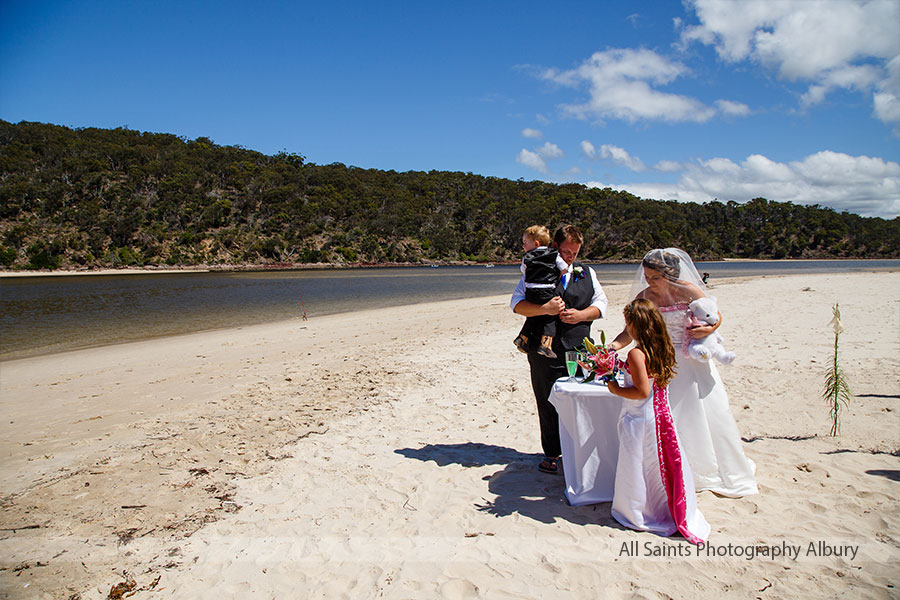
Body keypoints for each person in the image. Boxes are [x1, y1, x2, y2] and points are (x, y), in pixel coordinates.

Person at [608, 248, 758, 497]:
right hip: (664, 359)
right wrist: (612, 346)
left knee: (706, 412)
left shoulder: (689, 291)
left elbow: (714, 316)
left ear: (670, 275)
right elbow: (630, 331)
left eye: (655, 277)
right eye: (646, 276)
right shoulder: (644, 297)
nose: (649, 281)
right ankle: (676, 467)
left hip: (694, 358)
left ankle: (709, 470)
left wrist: (709, 331)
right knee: (672, 415)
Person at [606, 299, 710, 544]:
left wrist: (615, 389)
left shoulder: (636, 353)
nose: (626, 327)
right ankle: (663, 507)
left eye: (627, 323)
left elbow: (641, 391)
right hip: (662, 415)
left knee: (640, 465)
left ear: (635, 325)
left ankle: (641, 510)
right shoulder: (661, 347)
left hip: (641, 416)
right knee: (659, 466)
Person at [511, 225, 608, 474]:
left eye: (574, 253)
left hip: (579, 347)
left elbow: (601, 304)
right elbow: (517, 305)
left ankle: (582, 452)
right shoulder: (537, 268)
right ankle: (552, 454)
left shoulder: (588, 273)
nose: (570, 257)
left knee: (582, 400)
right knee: (547, 401)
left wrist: (582, 315)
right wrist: (545, 309)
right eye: (565, 252)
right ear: (554, 247)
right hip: (544, 350)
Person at [513, 225, 569, 358]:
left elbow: (524, 270)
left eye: (525, 243)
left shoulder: (527, 257)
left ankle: (523, 337)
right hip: (547, 290)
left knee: (534, 315)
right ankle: (545, 345)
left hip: (531, 291)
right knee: (550, 317)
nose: (523, 246)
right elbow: (564, 268)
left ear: (536, 243)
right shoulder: (553, 254)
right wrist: (557, 276)